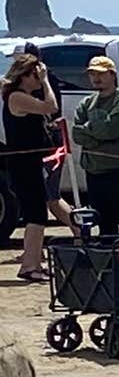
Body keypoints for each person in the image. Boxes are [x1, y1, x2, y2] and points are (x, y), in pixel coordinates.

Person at [3, 51, 57, 278]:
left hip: (30, 162)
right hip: (23, 163)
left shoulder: (19, 96)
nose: (38, 80)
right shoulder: (17, 97)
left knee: (38, 212)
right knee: (36, 214)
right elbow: (51, 106)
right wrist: (45, 81)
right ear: (24, 76)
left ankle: (33, 261)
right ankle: (29, 266)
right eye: (34, 76)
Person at [73, 55, 119, 236]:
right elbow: (77, 134)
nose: (96, 78)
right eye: (92, 74)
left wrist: (92, 131)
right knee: (104, 223)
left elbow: (110, 131)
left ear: (112, 75)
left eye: (101, 74)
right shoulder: (86, 103)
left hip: (118, 173)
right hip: (93, 173)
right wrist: (97, 133)